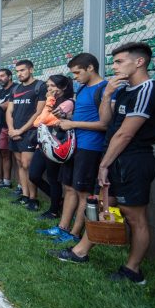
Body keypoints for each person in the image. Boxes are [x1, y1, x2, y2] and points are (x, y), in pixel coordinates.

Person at [52, 42, 155, 285]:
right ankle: (80, 252)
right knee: (104, 205)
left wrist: (104, 165)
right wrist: (106, 95)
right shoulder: (124, 90)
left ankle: (133, 271)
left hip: (133, 159)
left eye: (119, 62)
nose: (113, 67)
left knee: (135, 217)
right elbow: (107, 120)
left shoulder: (148, 90)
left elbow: (125, 134)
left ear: (139, 62)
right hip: (116, 157)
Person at [39, 53, 108, 244]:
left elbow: (105, 124)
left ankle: (75, 233)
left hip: (90, 147)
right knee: (68, 187)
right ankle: (62, 227)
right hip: (74, 145)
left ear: (90, 68)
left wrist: (73, 124)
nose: (74, 77)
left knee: (83, 192)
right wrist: (67, 119)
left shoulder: (104, 89)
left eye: (77, 72)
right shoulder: (84, 88)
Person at [27, 76, 74, 213]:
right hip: (42, 145)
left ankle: (53, 210)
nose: (49, 89)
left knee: (53, 179)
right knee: (34, 175)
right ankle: (58, 200)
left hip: (55, 145)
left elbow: (42, 121)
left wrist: (49, 100)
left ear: (63, 87)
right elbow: (38, 122)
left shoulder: (68, 103)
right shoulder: (53, 102)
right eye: (48, 86)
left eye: (53, 86)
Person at [6, 60, 46, 207]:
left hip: (30, 132)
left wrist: (21, 130)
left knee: (27, 164)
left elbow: (39, 112)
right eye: (17, 71)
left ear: (31, 70)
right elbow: (9, 111)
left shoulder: (40, 86)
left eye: (22, 70)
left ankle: (33, 198)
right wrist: (11, 129)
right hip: (14, 132)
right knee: (19, 164)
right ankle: (24, 195)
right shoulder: (15, 89)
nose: (19, 74)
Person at [0, 68, 16, 189]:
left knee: (17, 157)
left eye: (2, 76)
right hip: (2, 126)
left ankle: (16, 184)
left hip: (14, 126)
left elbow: (5, 106)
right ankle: (5, 180)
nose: (0, 79)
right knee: (4, 154)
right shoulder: (0, 91)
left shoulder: (16, 88)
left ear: (9, 76)